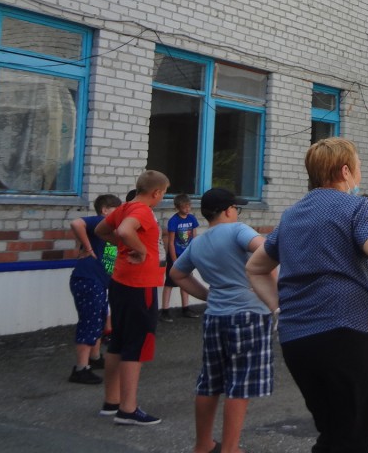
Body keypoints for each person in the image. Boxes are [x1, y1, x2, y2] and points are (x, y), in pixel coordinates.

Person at [246, 137, 368, 453]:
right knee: (351, 440)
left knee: (333, 434)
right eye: (358, 166)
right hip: (344, 336)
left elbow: (255, 267)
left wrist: (279, 309)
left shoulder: (292, 215)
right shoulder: (357, 208)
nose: (359, 173)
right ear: (345, 171)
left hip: (297, 342)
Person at [169, 187, 271, 453]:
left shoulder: (198, 242)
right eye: (236, 208)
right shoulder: (238, 230)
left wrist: (207, 295)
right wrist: (268, 289)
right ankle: (230, 448)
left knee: (210, 380)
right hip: (248, 314)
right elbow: (266, 249)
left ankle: (203, 444)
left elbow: (177, 274)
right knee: (240, 383)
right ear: (227, 210)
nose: (237, 212)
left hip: (215, 315)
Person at [94, 170, 170, 425]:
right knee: (136, 344)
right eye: (163, 194)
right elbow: (126, 231)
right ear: (156, 192)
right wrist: (139, 249)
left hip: (120, 281)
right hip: (140, 285)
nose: (162, 198)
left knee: (118, 341)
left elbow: (102, 230)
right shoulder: (142, 211)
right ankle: (128, 409)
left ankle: (112, 401)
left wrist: (124, 245)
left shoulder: (124, 207)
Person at [67, 194, 122, 385]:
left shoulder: (110, 230)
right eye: (116, 210)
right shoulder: (100, 221)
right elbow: (76, 223)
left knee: (99, 319)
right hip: (88, 280)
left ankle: (95, 357)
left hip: (98, 282)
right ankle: (81, 369)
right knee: (89, 322)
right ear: (105, 210)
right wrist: (88, 248)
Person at [162, 193, 199, 322]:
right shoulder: (174, 221)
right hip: (176, 255)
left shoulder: (192, 219)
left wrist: (193, 254)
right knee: (170, 283)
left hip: (187, 255)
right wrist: (174, 259)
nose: (187, 209)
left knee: (186, 281)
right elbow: (171, 242)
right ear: (177, 207)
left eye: (189, 206)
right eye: (184, 207)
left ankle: (186, 308)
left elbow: (194, 238)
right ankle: (165, 311)